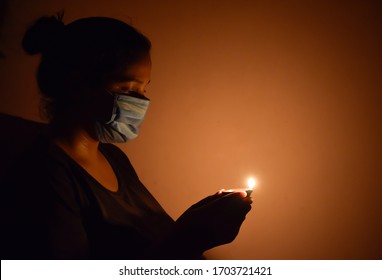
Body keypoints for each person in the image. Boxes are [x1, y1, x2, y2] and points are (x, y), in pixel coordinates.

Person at [1, 13, 252, 260]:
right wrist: (189, 237)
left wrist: (198, 219)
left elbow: (152, 242)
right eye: (128, 89)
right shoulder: (47, 174)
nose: (142, 101)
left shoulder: (114, 158)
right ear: (77, 84)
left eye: (145, 88)